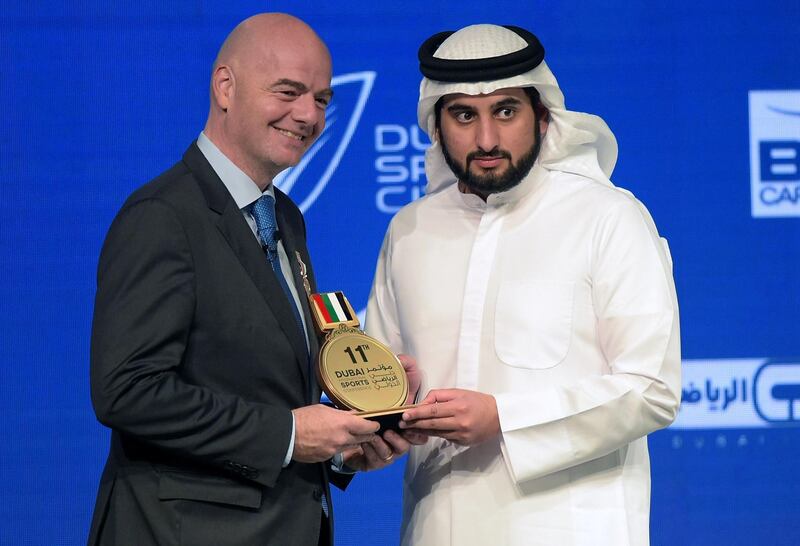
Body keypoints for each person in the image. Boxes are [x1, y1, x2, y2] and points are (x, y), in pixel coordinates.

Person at [88, 13, 414, 546]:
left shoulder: (284, 217)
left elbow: (267, 385)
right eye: (288, 91)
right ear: (225, 86)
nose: (308, 115)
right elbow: (127, 390)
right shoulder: (162, 215)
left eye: (322, 99)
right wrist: (289, 435)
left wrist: (342, 443)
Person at [365, 23, 681, 546]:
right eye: (464, 115)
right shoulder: (409, 231)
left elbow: (653, 389)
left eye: (506, 111)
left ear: (541, 115)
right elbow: (383, 387)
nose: (486, 139)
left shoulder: (608, 217)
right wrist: (375, 431)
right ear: (436, 124)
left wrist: (503, 418)